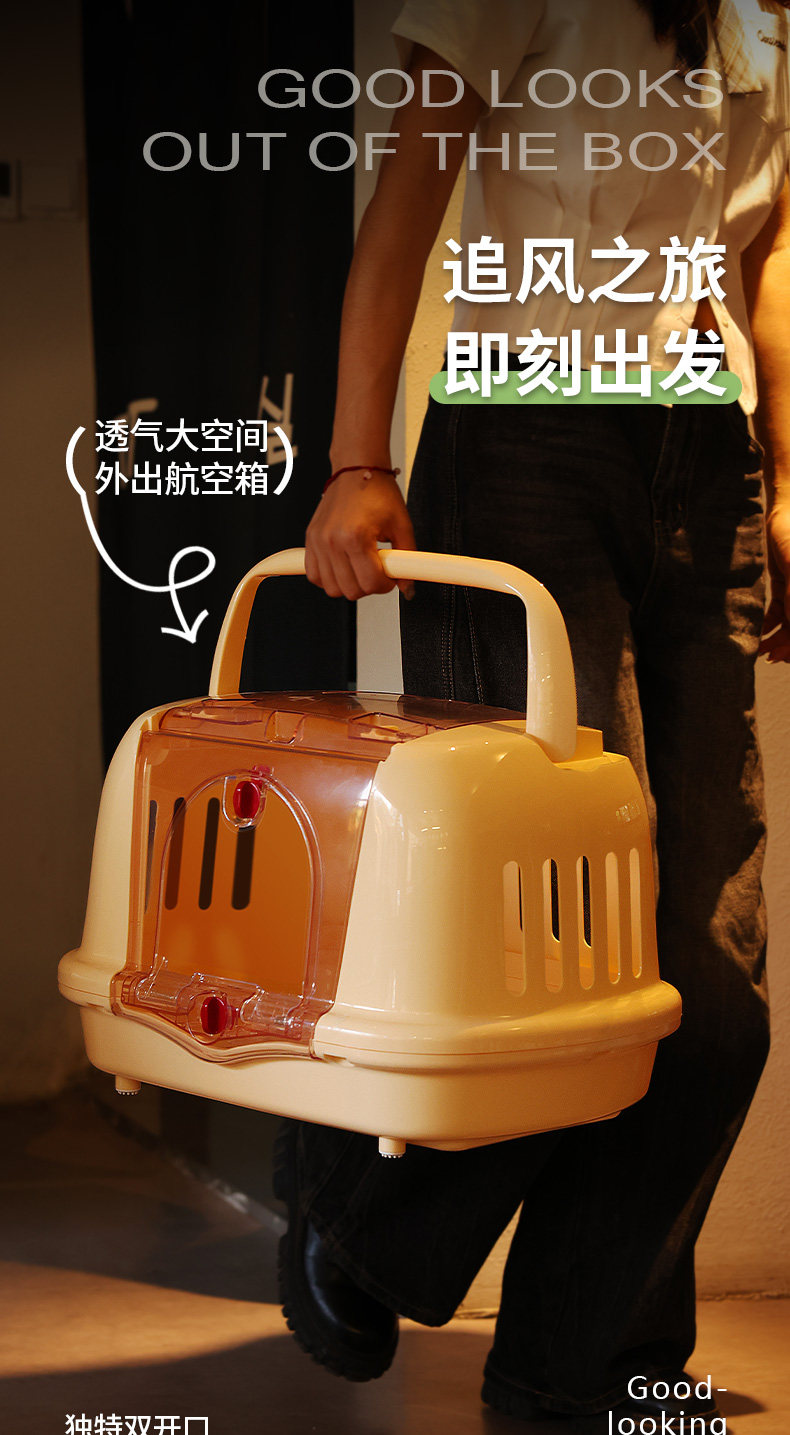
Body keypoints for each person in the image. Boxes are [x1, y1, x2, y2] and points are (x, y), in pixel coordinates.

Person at [276, 3, 790, 1429]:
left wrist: (786, 478)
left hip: (709, 457)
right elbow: (409, 193)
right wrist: (358, 459)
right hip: (528, 430)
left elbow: (761, 253)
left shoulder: (764, 17)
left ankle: (589, 1364)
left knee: (709, 979)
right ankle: (364, 1225)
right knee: (565, 932)